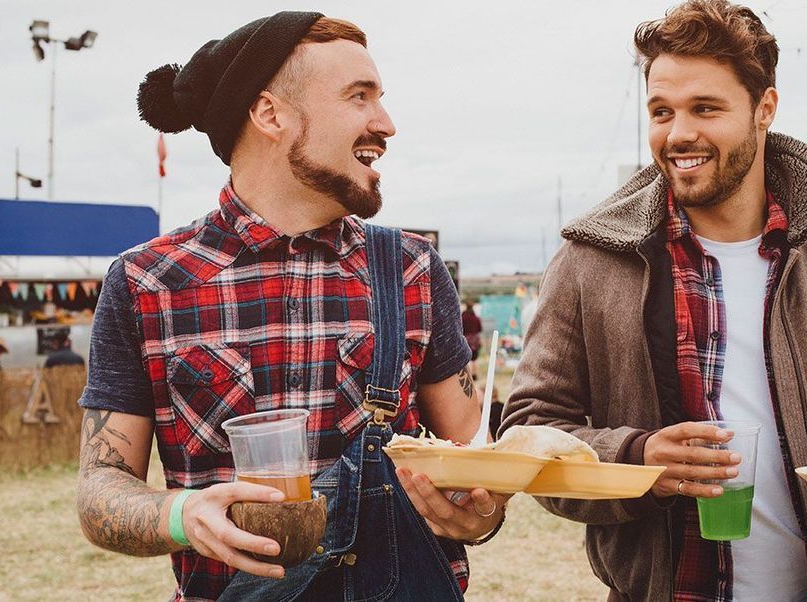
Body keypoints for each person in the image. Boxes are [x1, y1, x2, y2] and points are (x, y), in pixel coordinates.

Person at [501, 2, 807, 600]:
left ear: (765, 108)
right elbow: (530, 431)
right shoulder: (591, 261)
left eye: (705, 108)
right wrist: (637, 458)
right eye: (661, 111)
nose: (678, 133)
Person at [75, 13, 506, 601]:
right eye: (360, 98)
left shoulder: (413, 269)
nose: (386, 124)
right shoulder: (146, 281)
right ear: (270, 114)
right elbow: (101, 487)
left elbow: (475, 461)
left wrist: (482, 514)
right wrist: (185, 517)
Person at [461, 301, 482, 375]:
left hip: (465, 339)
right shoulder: (476, 318)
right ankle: (475, 373)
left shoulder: (462, 317)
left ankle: (469, 374)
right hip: (475, 340)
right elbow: (480, 329)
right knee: (475, 358)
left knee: (467, 358)